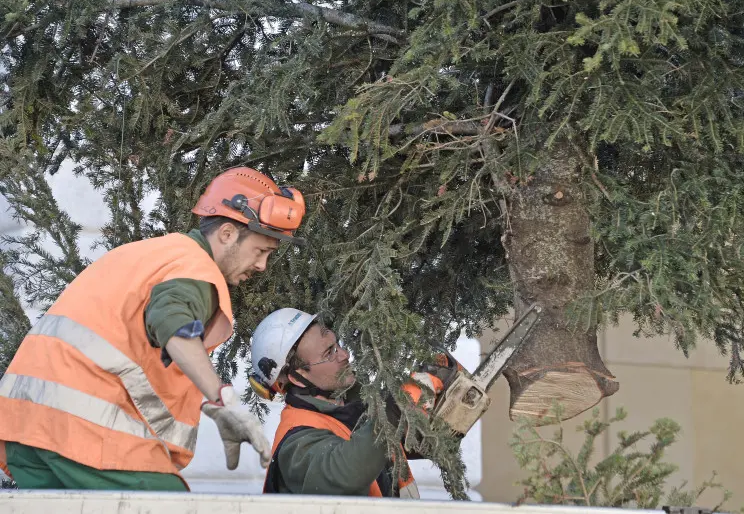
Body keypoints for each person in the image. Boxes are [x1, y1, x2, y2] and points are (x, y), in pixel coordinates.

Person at [0, 167, 306, 491]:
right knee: (167, 503)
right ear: (228, 233)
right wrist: (224, 400)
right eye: (261, 251)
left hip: (25, 427)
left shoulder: (156, 255)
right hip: (83, 432)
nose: (261, 266)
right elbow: (173, 323)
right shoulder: (194, 270)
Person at [248, 308, 451, 498]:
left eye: (337, 345)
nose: (344, 355)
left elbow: (428, 441)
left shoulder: (352, 408)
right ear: (297, 376)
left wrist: (447, 388)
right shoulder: (294, 445)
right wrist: (398, 405)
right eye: (329, 353)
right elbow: (345, 473)